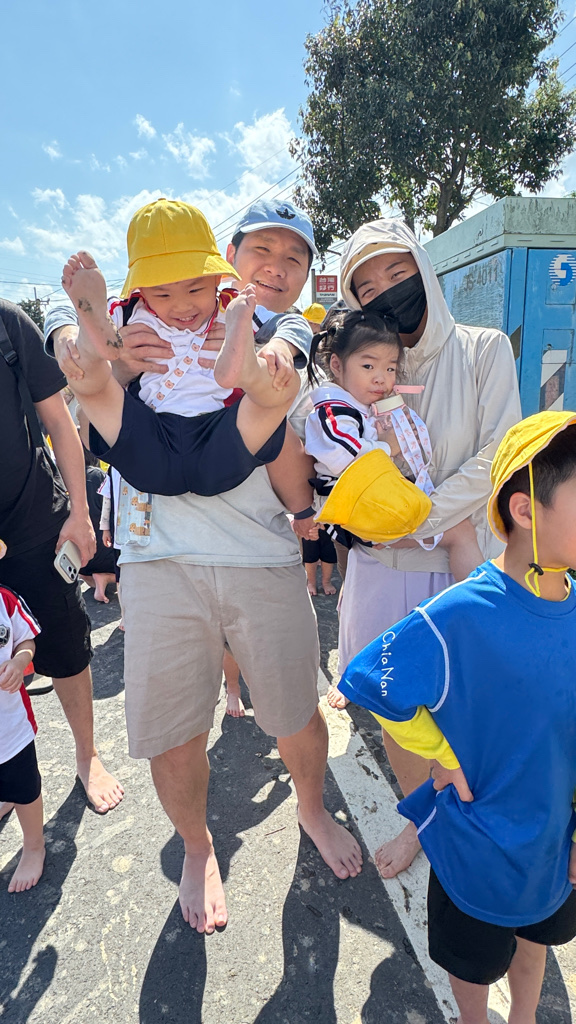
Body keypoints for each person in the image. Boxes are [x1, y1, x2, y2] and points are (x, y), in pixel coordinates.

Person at [50, 199, 362, 934]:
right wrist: (102, 347)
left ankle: (311, 808)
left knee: (295, 711)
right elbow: (84, 392)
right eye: (263, 252)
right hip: (159, 559)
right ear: (233, 257)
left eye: (294, 258)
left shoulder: (293, 339)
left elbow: (298, 477)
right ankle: (197, 846)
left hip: (260, 553)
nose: (277, 269)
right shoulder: (144, 324)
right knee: (172, 734)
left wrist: (271, 391)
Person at [337, 411, 576, 1024]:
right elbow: (374, 677)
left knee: (535, 941)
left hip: (552, 845)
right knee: (472, 964)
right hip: (474, 848)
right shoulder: (462, 612)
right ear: (525, 511)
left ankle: (523, 1017)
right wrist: (440, 755)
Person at [330, 218, 521, 880]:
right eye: (366, 287)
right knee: (400, 710)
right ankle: (421, 821)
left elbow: (500, 451)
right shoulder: (363, 367)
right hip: (384, 567)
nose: (386, 292)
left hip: (463, 566)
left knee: (470, 711)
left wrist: (418, 516)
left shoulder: (482, 349)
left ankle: (479, 815)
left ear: (424, 269)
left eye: (397, 272)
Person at [59, 200, 301, 499]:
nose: (182, 305)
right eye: (162, 294)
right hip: (147, 428)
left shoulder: (235, 306)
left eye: (195, 289)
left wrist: (280, 346)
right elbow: (60, 316)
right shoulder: (128, 312)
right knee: (90, 383)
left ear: (217, 278)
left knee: (282, 384)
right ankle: (89, 341)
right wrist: (70, 333)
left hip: (223, 430)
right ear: (140, 290)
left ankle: (249, 369)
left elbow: (293, 322)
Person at [0, 299, 123, 817]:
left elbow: (58, 422)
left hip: (34, 523)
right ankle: (9, 775)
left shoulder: (8, 324)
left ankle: (86, 754)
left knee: (66, 644)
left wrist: (80, 512)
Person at [305, 309, 483, 581]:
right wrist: (388, 447)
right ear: (337, 365)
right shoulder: (332, 409)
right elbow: (345, 456)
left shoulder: (356, 406)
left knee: (455, 529)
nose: (381, 378)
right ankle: (479, 602)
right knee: (460, 532)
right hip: (354, 507)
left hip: (363, 502)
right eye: (368, 366)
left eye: (390, 368)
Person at [0, 582, 45, 893]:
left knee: (26, 788)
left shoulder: (5, 600)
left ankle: (34, 845)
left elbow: (26, 639)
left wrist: (19, 661)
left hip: (10, 726)